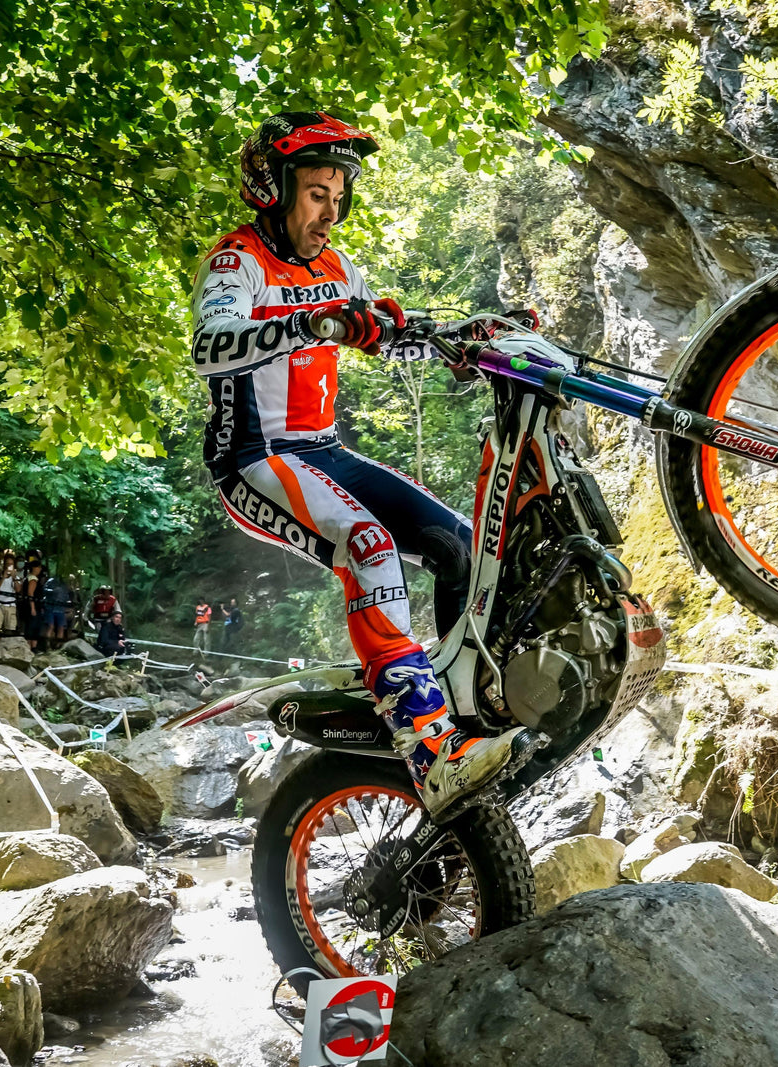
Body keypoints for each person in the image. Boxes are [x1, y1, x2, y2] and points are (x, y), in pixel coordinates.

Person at [190, 112, 530, 818]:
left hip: (325, 451)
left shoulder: (339, 266)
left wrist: (458, 339)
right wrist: (309, 322)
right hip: (252, 459)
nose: (330, 214)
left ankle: (462, 709)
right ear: (272, 188)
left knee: (461, 545)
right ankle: (425, 744)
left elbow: (384, 336)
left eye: (339, 197)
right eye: (317, 194)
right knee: (369, 545)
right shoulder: (235, 262)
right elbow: (210, 348)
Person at [40, 566, 74, 649]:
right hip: (50, 607)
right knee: (50, 626)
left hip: (60, 609)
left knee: (61, 627)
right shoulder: (51, 581)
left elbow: (66, 596)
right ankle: (47, 645)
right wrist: (53, 591)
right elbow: (44, 590)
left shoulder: (65, 585)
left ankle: (58, 645)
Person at [0, 556, 18, 636]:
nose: (9, 566)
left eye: (11, 564)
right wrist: (3, 577)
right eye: (7, 564)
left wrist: (14, 578)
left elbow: (18, 590)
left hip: (10, 604)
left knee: (9, 629)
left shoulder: (16, 577)